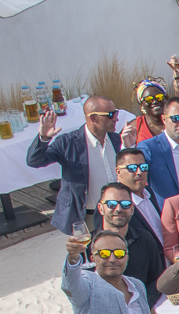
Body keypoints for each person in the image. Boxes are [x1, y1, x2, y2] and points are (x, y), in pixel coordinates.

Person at [28, 97, 122, 235]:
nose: (116, 118)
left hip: (118, 212)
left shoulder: (116, 140)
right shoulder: (68, 143)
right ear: (94, 118)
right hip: (87, 217)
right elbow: (35, 161)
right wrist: (43, 139)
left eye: (116, 113)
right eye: (111, 114)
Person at [92, 184, 167, 314]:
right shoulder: (88, 245)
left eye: (125, 204)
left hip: (144, 313)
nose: (119, 209)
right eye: (111, 204)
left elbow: (157, 277)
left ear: (132, 209)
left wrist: (141, 306)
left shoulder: (145, 239)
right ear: (100, 208)